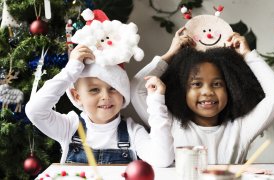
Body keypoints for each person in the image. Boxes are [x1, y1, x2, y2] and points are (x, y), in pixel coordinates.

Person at [130, 27, 274, 164]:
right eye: (196, 84)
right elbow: (137, 88)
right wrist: (170, 54)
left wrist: (248, 55)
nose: (207, 92)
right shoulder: (169, 124)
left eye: (217, 84)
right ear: (182, 91)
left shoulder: (241, 129)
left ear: (232, 89)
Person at [25, 45, 174, 167]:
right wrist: (70, 71)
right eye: (94, 90)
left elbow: (162, 159)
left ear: (123, 94)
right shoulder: (69, 127)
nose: (106, 96)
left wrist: (156, 102)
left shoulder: (133, 132)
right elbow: (34, 110)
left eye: (113, 88)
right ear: (77, 96)